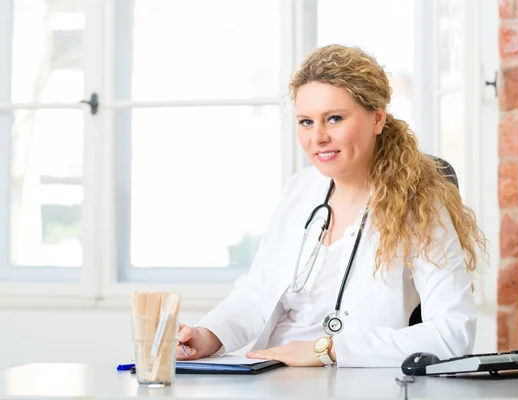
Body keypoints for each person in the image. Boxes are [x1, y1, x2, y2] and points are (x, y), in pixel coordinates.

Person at [176, 44, 487, 368]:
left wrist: (327, 349)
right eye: (306, 122)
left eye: (334, 119)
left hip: (355, 381)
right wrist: (208, 336)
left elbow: (453, 333)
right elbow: (256, 294)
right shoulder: (299, 191)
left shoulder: (419, 201)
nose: (318, 137)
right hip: (270, 376)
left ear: (377, 118)